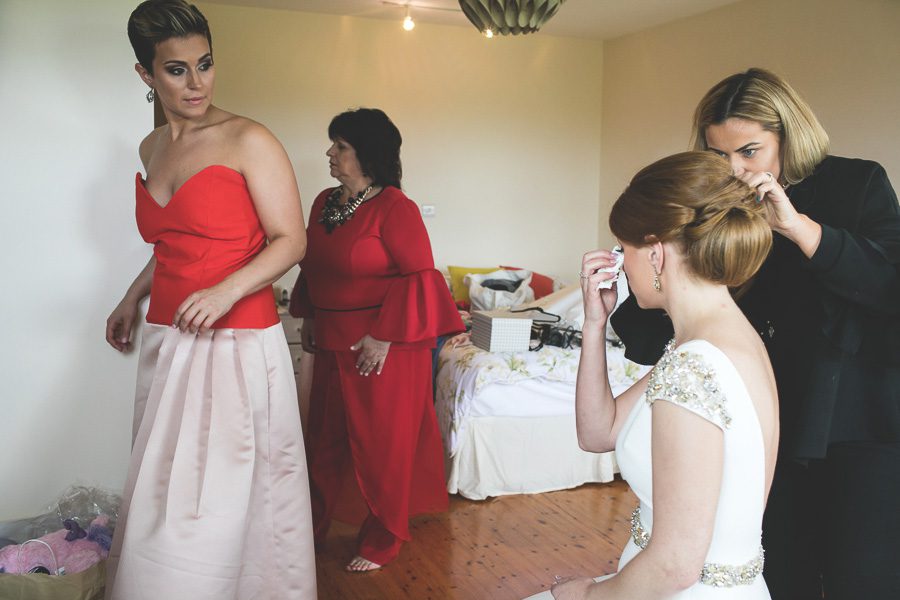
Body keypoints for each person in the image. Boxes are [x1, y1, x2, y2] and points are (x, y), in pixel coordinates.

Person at [610, 68, 900, 600]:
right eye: (718, 155)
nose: (736, 170)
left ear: (789, 136)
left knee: (864, 580)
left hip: (855, 426)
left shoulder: (857, 184)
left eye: (749, 151)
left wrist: (797, 227)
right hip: (763, 421)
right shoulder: (719, 203)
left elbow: (888, 286)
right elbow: (664, 320)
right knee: (780, 573)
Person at [104, 2, 316, 598]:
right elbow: (173, 244)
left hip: (236, 342)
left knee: (218, 497)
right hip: (166, 337)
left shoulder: (249, 139)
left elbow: (291, 240)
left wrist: (225, 291)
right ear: (146, 74)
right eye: (176, 70)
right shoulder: (150, 148)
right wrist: (131, 296)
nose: (196, 83)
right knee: (163, 488)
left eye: (205, 64)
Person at [532, 151, 778, 600]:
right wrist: (594, 324)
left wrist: (584, 596)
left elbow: (675, 563)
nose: (622, 265)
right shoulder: (715, 341)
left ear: (656, 253)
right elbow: (598, 432)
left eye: (623, 250)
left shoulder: (694, 366)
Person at [288, 108, 464, 572]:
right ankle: (310, 527)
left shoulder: (395, 207)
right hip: (332, 341)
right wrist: (310, 315)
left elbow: (419, 277)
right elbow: (313, 264)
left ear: (368, 153)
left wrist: (383, 337)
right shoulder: (324, 202)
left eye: (340, 145)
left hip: (384, 348)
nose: (330, 152)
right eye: (333, 144)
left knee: (382, 446)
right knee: (323, 439)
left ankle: (384, 537)